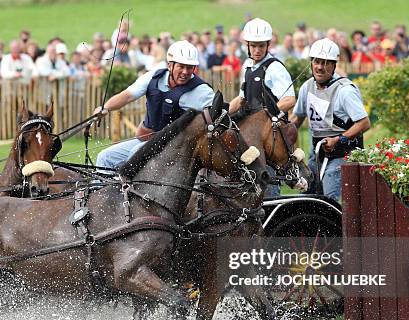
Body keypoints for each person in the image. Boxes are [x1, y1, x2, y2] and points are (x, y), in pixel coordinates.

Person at [94, 40, 214, 170]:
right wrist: (105, 107)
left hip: (174, 148)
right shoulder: (153, 77)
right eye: (181, 66)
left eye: (190, 67)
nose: (185, 71)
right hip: (145, 141)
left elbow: (222, 112)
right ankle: (102, 190)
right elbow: (127, 95)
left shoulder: (201, 91)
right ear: (170, 65)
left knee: (135, 154)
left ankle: (127, 189)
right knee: (105, 157)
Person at [290, 38, 370, 202]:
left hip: (343, 154)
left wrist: (338, 139)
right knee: (306, 197)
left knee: (328, 199)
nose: (320, 67)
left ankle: (336, 226)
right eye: (317, 62)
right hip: (317, 153)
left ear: (334, 65)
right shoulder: (307, 87)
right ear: (311, 63)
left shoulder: (345, 91)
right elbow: (297, 118)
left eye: (326, 63)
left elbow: (364, 123)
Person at [228, 18, 296, 197]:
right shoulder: (248, 66)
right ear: (247, 45)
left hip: (270, 136)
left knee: (267, 184)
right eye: (254, 46)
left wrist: (264, 118)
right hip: (250, 134)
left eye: (261, 46)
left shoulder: (275, 68)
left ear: (268, 45)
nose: (257, 50)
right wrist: (223, 113)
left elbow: (289, 99)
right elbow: (242, 99)